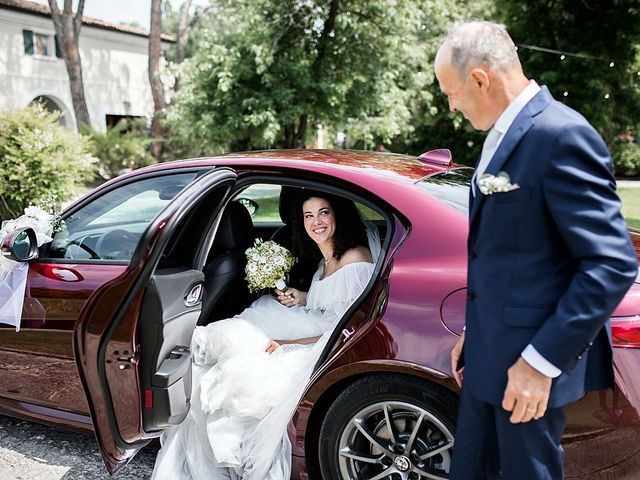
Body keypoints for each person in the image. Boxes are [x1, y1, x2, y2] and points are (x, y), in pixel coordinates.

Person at [434, 21, 637, 479]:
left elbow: (610, 264)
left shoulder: (562, 135)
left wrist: (539, 363)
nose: (451, 105)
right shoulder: (498, 135)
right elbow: (509, 252)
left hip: (528, 375)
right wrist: (476, 331)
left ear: (481, 79)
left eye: (452, 92)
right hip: (488, 358)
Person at [151, 189, 376, 480]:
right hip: (312, 324)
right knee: (229, 352)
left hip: (324, 343)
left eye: (323, 212)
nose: (316, 222)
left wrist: (288, 344)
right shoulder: (326, 258)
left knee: (246, 370)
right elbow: (331, 301)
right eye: (309, 215)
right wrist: (302, 297)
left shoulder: (356, 260)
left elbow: (348, 327)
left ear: (338, 215)